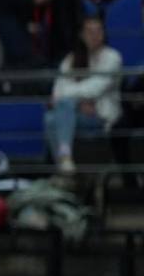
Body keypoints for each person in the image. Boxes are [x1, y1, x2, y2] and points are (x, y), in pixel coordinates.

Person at [45, 16, 123, 174]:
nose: (95, 35)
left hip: (99, 115)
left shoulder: (112, 57)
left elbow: (95, 88)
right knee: (50, 118)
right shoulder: (71, 59)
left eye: (98, 31)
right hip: (74, 114)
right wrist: (77, 103)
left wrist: (69, 99)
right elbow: (58, 87)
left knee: (56, 114)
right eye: (89, 31)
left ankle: (63, 170)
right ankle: (65, 161)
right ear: (81, 35)